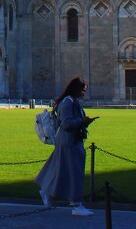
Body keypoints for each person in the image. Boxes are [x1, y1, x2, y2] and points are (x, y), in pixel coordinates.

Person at [35, 77, 97, 216]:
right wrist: (82, 121)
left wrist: (85, 122)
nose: (83, 93)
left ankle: (46, 191)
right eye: (82, 90)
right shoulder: (67, 103)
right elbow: (67, 123)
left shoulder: (72, 102)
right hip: (69, 141)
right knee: (75, 173)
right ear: (76, 89)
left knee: (60, 169)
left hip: (71, 139)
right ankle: (76, 205)